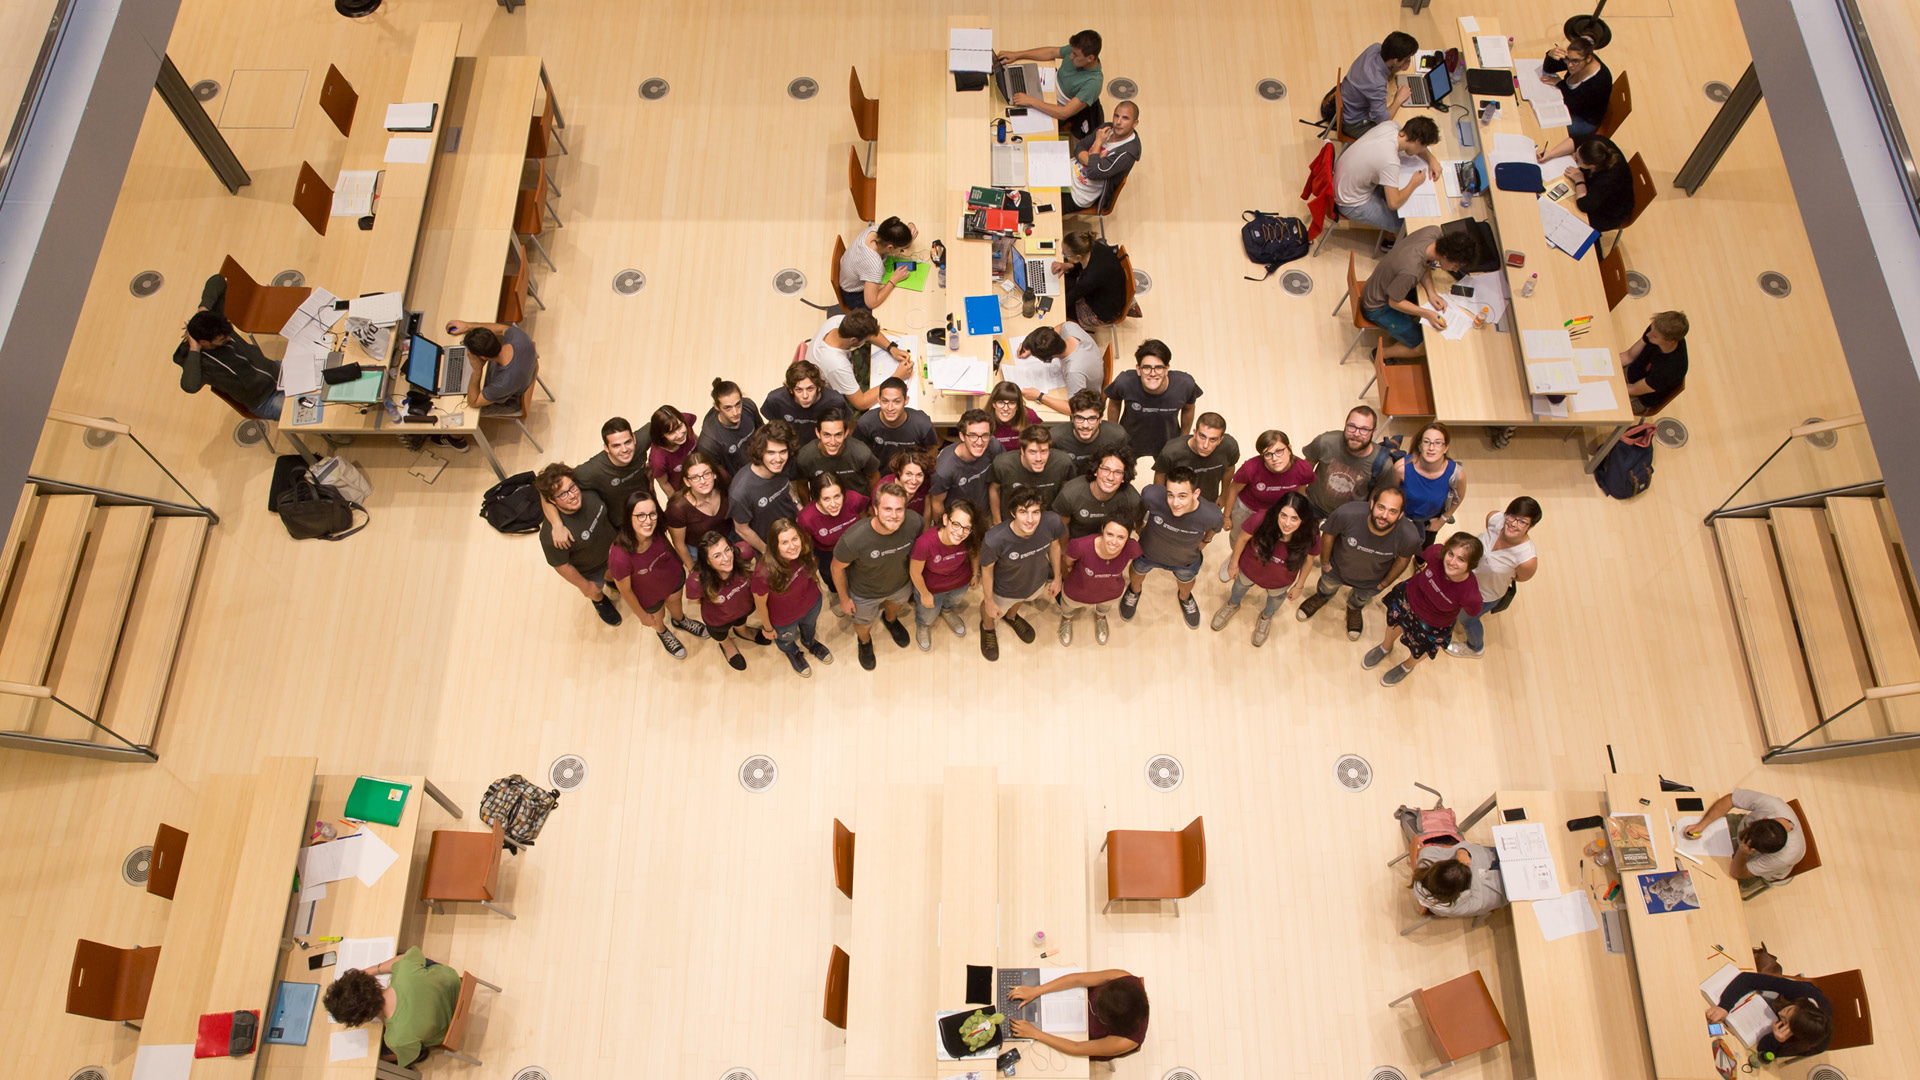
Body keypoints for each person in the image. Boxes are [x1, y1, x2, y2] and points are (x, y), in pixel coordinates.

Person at [1298, 485, 1422, 640]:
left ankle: (1354, 609)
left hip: (1372, 580)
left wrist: (1385, 583)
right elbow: (1329, 534)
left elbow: (1404, 559)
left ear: (1401, 514)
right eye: (1381, 507)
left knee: (1360, 600)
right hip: (1336, 569)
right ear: (1372, 504)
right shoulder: (1347, 514)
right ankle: (1322, 597)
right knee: (1326, 587)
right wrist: (1325, 563)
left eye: (1393, 511)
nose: (1384, 515)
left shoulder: (1409, 536)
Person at [1368, 533, 1485, 686]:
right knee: (1393, 623)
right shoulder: (1435, 553)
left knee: (1421, 648)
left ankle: (1407, 666)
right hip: (1407, 599)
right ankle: (1385, 647)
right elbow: (1423, 554)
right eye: (1450, 554)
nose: (1451, 562)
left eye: (1461, 559)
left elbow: (1473, 611)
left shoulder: (1471, 595)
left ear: (1471, 565)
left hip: (1433, 623)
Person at [831, 483, 923, 671]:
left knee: (894, 608)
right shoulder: (854, 539)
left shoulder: (915, 522)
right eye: (887, 509)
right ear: (875, 509)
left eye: (899, 509)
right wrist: (843, 598)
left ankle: (890, 621)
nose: (894, 515)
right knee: (863, 624)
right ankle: (864, 642)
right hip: (864, 593)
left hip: (900, 585)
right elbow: (836, 568)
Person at [321, 947, 459, 1069]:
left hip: (447, 1028)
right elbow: (408, 956)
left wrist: (381, 1059)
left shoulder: (394, 1039)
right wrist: (372, 970)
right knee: (407, 959)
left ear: (364, 1018)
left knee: (387, 1054)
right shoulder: (404, 970)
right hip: (454, 985)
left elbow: (410, 1057)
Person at [1359, 223, 1481, 360]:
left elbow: (1425, 264)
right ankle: (1380, 354)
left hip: (1382, 286)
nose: (1456, 270)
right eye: (1456, 265)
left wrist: (1431, 292)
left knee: (1420, 304)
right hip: (1377, 307)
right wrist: (1427, 313)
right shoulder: (1411, 271)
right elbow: (1394, 302)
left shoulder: (1433, 233)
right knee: (1424, 345)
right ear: (1446, 256)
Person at [1212, 491, 1320, 646]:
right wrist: (1233, 563)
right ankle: (1232, 605)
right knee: (1239, 587)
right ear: (1277, 513)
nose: (1287, 523)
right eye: (1283, 516)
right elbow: (1242, 538)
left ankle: (1266, 617)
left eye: (1294, 518)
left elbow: (1309, 560)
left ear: (1303, 519)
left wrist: (1299, 586)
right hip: (1249, 570)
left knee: (1275, 601)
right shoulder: (1260, 519)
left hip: (1281, 581)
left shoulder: (1312, 534)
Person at [610, 490, 708, 658]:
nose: (648, 521)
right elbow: (625, 591)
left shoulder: (657, 529)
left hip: (673, 580)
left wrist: (679, 564)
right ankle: (663, 632)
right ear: (629, 517)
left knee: (676, 606)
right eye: (640, 515)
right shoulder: (619, 556)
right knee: (658, 618)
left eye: (652, 514)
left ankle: (680, 621)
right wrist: (642, 616)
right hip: (648, 597)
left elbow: (667, 545)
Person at [1122, 467, 1223, 628]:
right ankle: (1134, 591)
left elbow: (1214, 529)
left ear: (1196, 493)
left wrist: (1205, 542)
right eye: (1170, 495)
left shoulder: (1212, 514)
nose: (1175, 503)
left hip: (1185, 560)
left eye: (1182, 496)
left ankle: (1185, 598)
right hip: (1147, 553)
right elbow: (1140, 512)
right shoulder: (1152, 495)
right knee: (1137, 572)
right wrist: (1139, 526)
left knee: (1186, 583)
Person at [977, 487, 1067, 660]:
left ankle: (1011, 617)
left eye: (1036, 512)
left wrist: (1057, 577)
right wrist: (988, 601)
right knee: (992, 610)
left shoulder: (1052, 522)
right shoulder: (995, 539)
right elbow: (986, 569)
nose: (1030, 520)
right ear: (1013, 513)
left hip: (1035, 582)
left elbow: (1055, 546)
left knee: (1022, 599)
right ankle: (988, 627)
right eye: (1023, 512)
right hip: (1004, 589)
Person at [173, 278, 281, 419]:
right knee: (313, 409)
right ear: (203, 342)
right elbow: (189, 386)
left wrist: (202, 310)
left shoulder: (217, 324)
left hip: (278, 371)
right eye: (223, 340)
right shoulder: (202, 364)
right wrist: (194, 348)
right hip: (266, 400)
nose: (229, 339)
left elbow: (217, 280)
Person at [1449, 497, 1541, 659]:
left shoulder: (1526, 559)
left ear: (1531, 526)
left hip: (1484, 595)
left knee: (1468, 620)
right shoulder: (1495, 519)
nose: (1513, 523)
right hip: (1463, 579)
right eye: (1511, 516)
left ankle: (1475, 648)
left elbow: (1520, 577)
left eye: (1522, 522)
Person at [1218, 430, 1317, 579]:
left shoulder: (1303, 469)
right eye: (1268, 454)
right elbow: (1233, 489)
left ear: (1289, 448)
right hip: (1248, 509)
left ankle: (1256, 561)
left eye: (1279, 451)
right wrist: (1226, 516)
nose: (1275, 458)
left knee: (1268, 541)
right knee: (1239, 537)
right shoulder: (1251, 467)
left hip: (1278, 514)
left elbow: (1301, 492)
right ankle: (1235, 558)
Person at [541, 417, 652, 549]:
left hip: (648, 503)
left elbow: (676, 419)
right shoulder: (592, 471)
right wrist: (557, 524)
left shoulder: (643, 439)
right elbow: (545, 490)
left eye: (627, 442)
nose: (624, 449)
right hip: (623, 520)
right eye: (616, 445)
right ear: (606, 448)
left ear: (634, 438)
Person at [533, 463, 622, 626]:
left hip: (614, 552)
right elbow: (562, 565)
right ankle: (600, 601)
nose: (572, 496)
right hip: (591, 570)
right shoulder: (551, 536)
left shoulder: (589, 491)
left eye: (572, 488)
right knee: (595, 591)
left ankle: (612, 581)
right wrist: (586, 587)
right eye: (563, 495)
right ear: (552, 500)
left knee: (613, 575)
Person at [1331, 116, 1443, 234]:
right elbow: (1393, 203)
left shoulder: (1391, 126)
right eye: (1424, 146)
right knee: (1405, 226)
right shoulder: (1390, 161)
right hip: (1350, 202)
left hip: (1345, 180)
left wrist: (1432, 159)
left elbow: (1415, 146)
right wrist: (1413, 183)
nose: (1424, 149)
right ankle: (1389, 242)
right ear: (1418, 141)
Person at [751, 519, 834, 678]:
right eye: (784, 542)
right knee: (786, 640)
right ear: (775, 546)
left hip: (811, 605)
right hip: (783, 619)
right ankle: (793, 652)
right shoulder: (763, 573)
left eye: (794, 539)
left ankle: (809, 642)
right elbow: (760, 604)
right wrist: (768, 628)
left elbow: (811, 570)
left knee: (810, 628)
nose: (792, 546)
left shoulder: (804, 551)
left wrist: (817, 586)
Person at [1008, 969, 1149, 1061]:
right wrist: (1036, 991)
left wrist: (1036, 1033)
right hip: (1074, 999)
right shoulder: (1122, 978)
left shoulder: (1127, 1040)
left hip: (1081, 1038)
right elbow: (1077, 980)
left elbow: (1077, 1047)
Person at [996, 30, 1105, 141]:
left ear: (1090, 58)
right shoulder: (1077, 50)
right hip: (1048, 83)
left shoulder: (1093, 83)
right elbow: (1052, 52)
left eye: (1075, 55)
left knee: (1009, 119)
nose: (1070, 56)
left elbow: (1064, 113)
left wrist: (1031, 101)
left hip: (1054, 106)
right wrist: (1017, 55)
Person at [1684, 789, 1807, 883]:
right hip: (1740, 833)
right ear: (1763, 819)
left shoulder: (1783, 857)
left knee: (1709, 880)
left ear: (1757, 851)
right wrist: (1701, 825)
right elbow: (1731, 799)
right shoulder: (1772, 806)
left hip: (1755, 867)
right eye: (1748, 828)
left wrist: (1742, 852)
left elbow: (1737, 873)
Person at [1104, 340, 1201, 459]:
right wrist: (1114, 433)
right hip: (1129, 440)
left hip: (1167, 440)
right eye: (1146, 368)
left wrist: (1183, 438)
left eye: (1159, 367)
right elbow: (1114, 402)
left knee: (1165, 476)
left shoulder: (1186, 385)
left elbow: (1189, 408)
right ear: (1138, 369)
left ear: (1167, 369)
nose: (1152, 373)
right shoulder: (1124, 382)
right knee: (1122, 475)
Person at [688, 532, 770, 671]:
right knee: (720, 634)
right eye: (717, 555)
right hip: (718, 619)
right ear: (707, 561)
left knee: (741, 621)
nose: (726, 558)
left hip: (744, 606)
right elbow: (695, 601)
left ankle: (742, 632)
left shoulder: (743, 552)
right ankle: (726, 644)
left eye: (727, 550)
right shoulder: (696, 581)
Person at [1704, 972, 1832, 1061]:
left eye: (1785, 1020)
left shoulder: (1811, 1045)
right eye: (1788, 1010)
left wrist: (1776, 1039)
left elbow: (1764, 1052)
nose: (1781, 1014)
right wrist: (1724, 1006)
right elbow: (1747, 979)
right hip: (1782, 1003)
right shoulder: (1801, 993)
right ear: (1798, 1004)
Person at [1056, 517, 1141, 646]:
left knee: (1104, 609)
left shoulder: (1132, 548)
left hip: (1110, 591)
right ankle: (1067, 619)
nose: (1113, 542)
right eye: (1110, 534)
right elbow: (1066, 563)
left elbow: (1128, 562)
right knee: (1068, 607)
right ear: (1102, 530)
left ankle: (1101, 618)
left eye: (1121, 537)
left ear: (1128, 537)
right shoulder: (1080, 545)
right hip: (1077, 590)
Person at [806, 309, 916, 409]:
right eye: (865, 339)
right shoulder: (837, 365)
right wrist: (897, 377)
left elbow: (870, 334)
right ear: (854, 341)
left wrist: (891, 348)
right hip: (826, 390)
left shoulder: (838, 322)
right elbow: (861, 403)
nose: (869, 339)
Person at [910, 498, 981, 650]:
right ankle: (923, 625)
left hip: (959, 583)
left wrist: (975, 574)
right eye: (956, 524)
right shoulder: (925, 543)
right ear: (945, 519)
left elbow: (975, 553)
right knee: (927, 614)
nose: (960, 532)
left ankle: (947, 611)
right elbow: (915, 572)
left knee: (952, 602)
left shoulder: (969, 537)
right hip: (931, 588)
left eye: (966, 528)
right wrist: (924, 593)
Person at [797, 472, 869, 614]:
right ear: (817, 499)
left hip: (854, 545)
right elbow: (807, 544)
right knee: (830, 576)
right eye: (826, 499)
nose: (834, 504)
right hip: (827, 552)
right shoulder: (807, 518)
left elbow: (864, 514)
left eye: (837, 496)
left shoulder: (854, 499)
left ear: (844, 494)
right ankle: (835, 593)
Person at [1303, 406, 1394, 517]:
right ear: (1345, 425)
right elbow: (1305, 469)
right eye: (1352, 426)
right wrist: (1301, 495)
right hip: (1314, 505)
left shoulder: (1384, 464)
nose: (1356, 433)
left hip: (1349, 517)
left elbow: (1377, 497)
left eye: (1364, 429)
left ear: (1373, 432)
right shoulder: (1325, 442)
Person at [728, 422, 801, 554]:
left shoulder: (784, 464)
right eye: (771, 452)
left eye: (783, 451)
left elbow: (786, 486)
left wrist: (798, 506)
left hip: (794, 532)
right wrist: (767, 552)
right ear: (760, 452)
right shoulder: (741, 492)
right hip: (771, 545)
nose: (778, 459)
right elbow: (741, 529)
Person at [1389, 422, 1466, 546]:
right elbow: (1391, 494)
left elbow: (1459, 498)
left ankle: (1419, 562)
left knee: (1424, 549)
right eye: (1426, 442)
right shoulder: (1401, 468)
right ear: (1419, 446)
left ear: (1445, 448)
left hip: (1430, 521)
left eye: (1437, 443)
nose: (1431, 448)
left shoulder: (1456, 474)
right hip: (1402, 517)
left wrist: (1442, 520)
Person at [1537, 134, 1633, 232]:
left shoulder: (1608, 179)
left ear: (1592, 166)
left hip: (1608, 212)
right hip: (1595, 191)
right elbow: (1575, 140)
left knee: (1558, 217)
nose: (1574, 159)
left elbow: (1585, 205)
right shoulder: (1598, 144)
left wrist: (1579, 180)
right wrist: (1551, 154)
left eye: (1578, 161)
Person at [1404, 830, 1508, 919]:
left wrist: (1462, 851)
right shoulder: (1450, 907)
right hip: (1499, 886)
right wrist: (1470, 865)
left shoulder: (1427, 855)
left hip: (1488, 856)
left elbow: (1458, 846)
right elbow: (1480, 902)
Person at [445, 318, 538, 414]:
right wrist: (467, 326)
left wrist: (477, 370)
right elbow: (501, 328)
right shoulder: (517, 336)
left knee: (467, 410)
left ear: (482, 357)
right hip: (528, 370)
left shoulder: (502, 383)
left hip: (513, 398)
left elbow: (474, 401)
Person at [1339, 31, 1422, 138]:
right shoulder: (1376, 84)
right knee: (1390, 135)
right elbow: (1384, 121)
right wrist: (1398, 99)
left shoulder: (1375, 48)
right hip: (1352, 122)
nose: (1408, 63)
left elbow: (1386, 68)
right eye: (1406, 60)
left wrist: (1399, 66)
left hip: (1346, 95)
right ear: (1395, 61)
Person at [1064, 101, 1141, 214]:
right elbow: (1080, 147)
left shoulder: (1127, 154)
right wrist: (1092, 163)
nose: (1118, 122)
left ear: (1134, 123)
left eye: (1125, 118)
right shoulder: (1106, 128)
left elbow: (1093, 173)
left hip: (1078, 194)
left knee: (1043, 205)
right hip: (1068, 169)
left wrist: (1098, 142)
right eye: (1116, 116)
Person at [1153, 412, 1239, 513]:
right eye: (1202, 436)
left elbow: (1230, 469)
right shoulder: (1172, 451)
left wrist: (1224, 495)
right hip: (1178, 502)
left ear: (1220, 440)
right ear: (1195, 433)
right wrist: (1163, 502)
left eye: (1213, 439)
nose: (1205, 445)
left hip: (1208, 500)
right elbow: (1160, 475)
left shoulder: (1229, 447)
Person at [663, 452, 734, 571]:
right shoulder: (677, 508)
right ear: (687, 482)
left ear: (714, 474)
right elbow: (679, 545)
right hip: (699, 551)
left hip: (728, 538)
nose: (703, 481)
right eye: (695, 477)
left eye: (706, 474)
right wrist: (693, 568)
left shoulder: (723, 481)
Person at [1013, 322, 1104, 414]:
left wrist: (1040, 396)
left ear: (1049, 358)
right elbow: (1058, 328)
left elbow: (1074, 409)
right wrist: (1031, 347)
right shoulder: (1070, 328)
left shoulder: (1073, 372)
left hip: (1088, 397)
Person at [989, 425, 1076, 521]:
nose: (1039, 458)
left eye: (1044, 451)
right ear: (1022, 450)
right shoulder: (1003, 464)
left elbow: (1069, 492)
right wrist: (997, 522)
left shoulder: (1063, 462)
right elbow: (994, 489)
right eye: (1032, 452)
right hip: (1011, 523)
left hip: (1047, 523)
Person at [927, 409, 1001, 521]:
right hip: (958, 523)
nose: (979, 442)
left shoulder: (993, 446)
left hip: (985, 515)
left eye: (985, 435)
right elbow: (937, 504)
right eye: (973, 436)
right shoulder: (944, 470)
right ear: (962, 436)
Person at [1052, 450, 1143, 539]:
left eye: (1118, 472)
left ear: (1124, 477)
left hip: (1111, 546)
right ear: (1096, 471)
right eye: (1106, 469)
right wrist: (1065, 552)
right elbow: (1062, 528)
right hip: (1077, 546)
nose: (1110, 477)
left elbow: (1128, 529)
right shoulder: (1070, 494)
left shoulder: (1131, 498)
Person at [838, 215, 919, 310]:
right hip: (855, 296)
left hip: (850, 276)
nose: (902, 250)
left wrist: (910, 226)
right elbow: (871, 303)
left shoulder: (878, 230)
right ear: (890, 247)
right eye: (900, 249)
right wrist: (894, 280)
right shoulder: (874, 264)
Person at [761, 359, 849, 447]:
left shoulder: (835, 401)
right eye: (799, 390)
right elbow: (773, 428)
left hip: (822, 449)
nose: (805, 395)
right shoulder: (775, 399)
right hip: (789, 449)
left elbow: (845, 428)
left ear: (818, 387)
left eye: (810, 389)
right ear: (791, 390)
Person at [1538, 35, 1612, 138]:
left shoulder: (1599, 82)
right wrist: (1550, 54)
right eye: (1568, 59)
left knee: (1547, 127)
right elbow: (1549, 68)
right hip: (1571, 101)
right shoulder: (1577, 59)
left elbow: (1573, 105)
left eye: (1575, 61)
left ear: (1589, 58)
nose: (1570, 65)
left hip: (1584, 119)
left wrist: (1560, 83)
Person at [795, 407, 880, 494]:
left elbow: (874, 477)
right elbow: (802, 486)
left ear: (846, 433)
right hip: (824, 504)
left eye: (838, 435)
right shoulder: (805, 457)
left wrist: (872, 504)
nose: (832, 442)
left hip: (858, 503)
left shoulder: (861, 453)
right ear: (817, 433)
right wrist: (808, 507)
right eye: (827, 435)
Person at [1621, 311, 1690, 415]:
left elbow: (1632, 389)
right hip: (1633, 373)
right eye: (1651, 330)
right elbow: (1629, 356)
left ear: (1670, 341)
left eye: (1654, 336)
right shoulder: (1657, 329)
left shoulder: (1671, 369)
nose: (1648, 335)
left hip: (1639, 396)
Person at [853, 377, 938, 461]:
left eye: (896, 402)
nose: (890, 408)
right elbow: (857, 452)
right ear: (878, 400)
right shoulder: (866, 423)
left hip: (911, 472)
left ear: (906, 400)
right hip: (878, 472)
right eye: (885, 401)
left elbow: (932, 450)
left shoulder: (922, 424)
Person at [1047, 389, 1130, 472]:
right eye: (1079, 418)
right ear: (1072, 418)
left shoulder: (1117, 436)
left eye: (1092, 418)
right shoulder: (1055, 437)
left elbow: (1123, 469)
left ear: (1100, 419)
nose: (1085, 425)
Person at [1058, 230, 1128, 327]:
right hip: (1111, 292)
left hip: (1103, 311)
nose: (1063, 255)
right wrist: (1069, 266)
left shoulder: (1090, 278)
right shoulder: (1093, 245)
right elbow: (1083, 266)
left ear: (1078, 257)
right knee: (1066, 282)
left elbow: (1070, 298)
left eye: (1065, 255)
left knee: (1061, 309)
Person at [697, 377, 763, 477]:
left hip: (763, 465)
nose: (736, 412)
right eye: (728, 408)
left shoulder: (748, 406)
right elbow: (719, 474)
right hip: (742, 480)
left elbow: (762, 432)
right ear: (717, 407)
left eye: (738, 404)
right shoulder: (708, 442)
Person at [646, 405, 701, 494]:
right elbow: (664, 483)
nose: (680, 435)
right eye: (671, 432)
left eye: (679, 427)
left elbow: (694, 436)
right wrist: (677, 503)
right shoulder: (658, 460)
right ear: (662, 435)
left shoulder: (685, 419)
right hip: (686, 490)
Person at [988, 380, 1044, 452]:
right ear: (994, 404)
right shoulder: (985, 421)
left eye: (1011, 403)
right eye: (1001, 402)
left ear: (1018, 406)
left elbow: (1041, 441)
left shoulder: (1030, 417)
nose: (1005, 408)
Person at [877, 449, 933, 517]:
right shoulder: (883, 489)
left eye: (919, 475)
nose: (914, 481)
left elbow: (927, 512)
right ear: (899, 472)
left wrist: (926, 527)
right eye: (908, 474)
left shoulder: (925, 484)